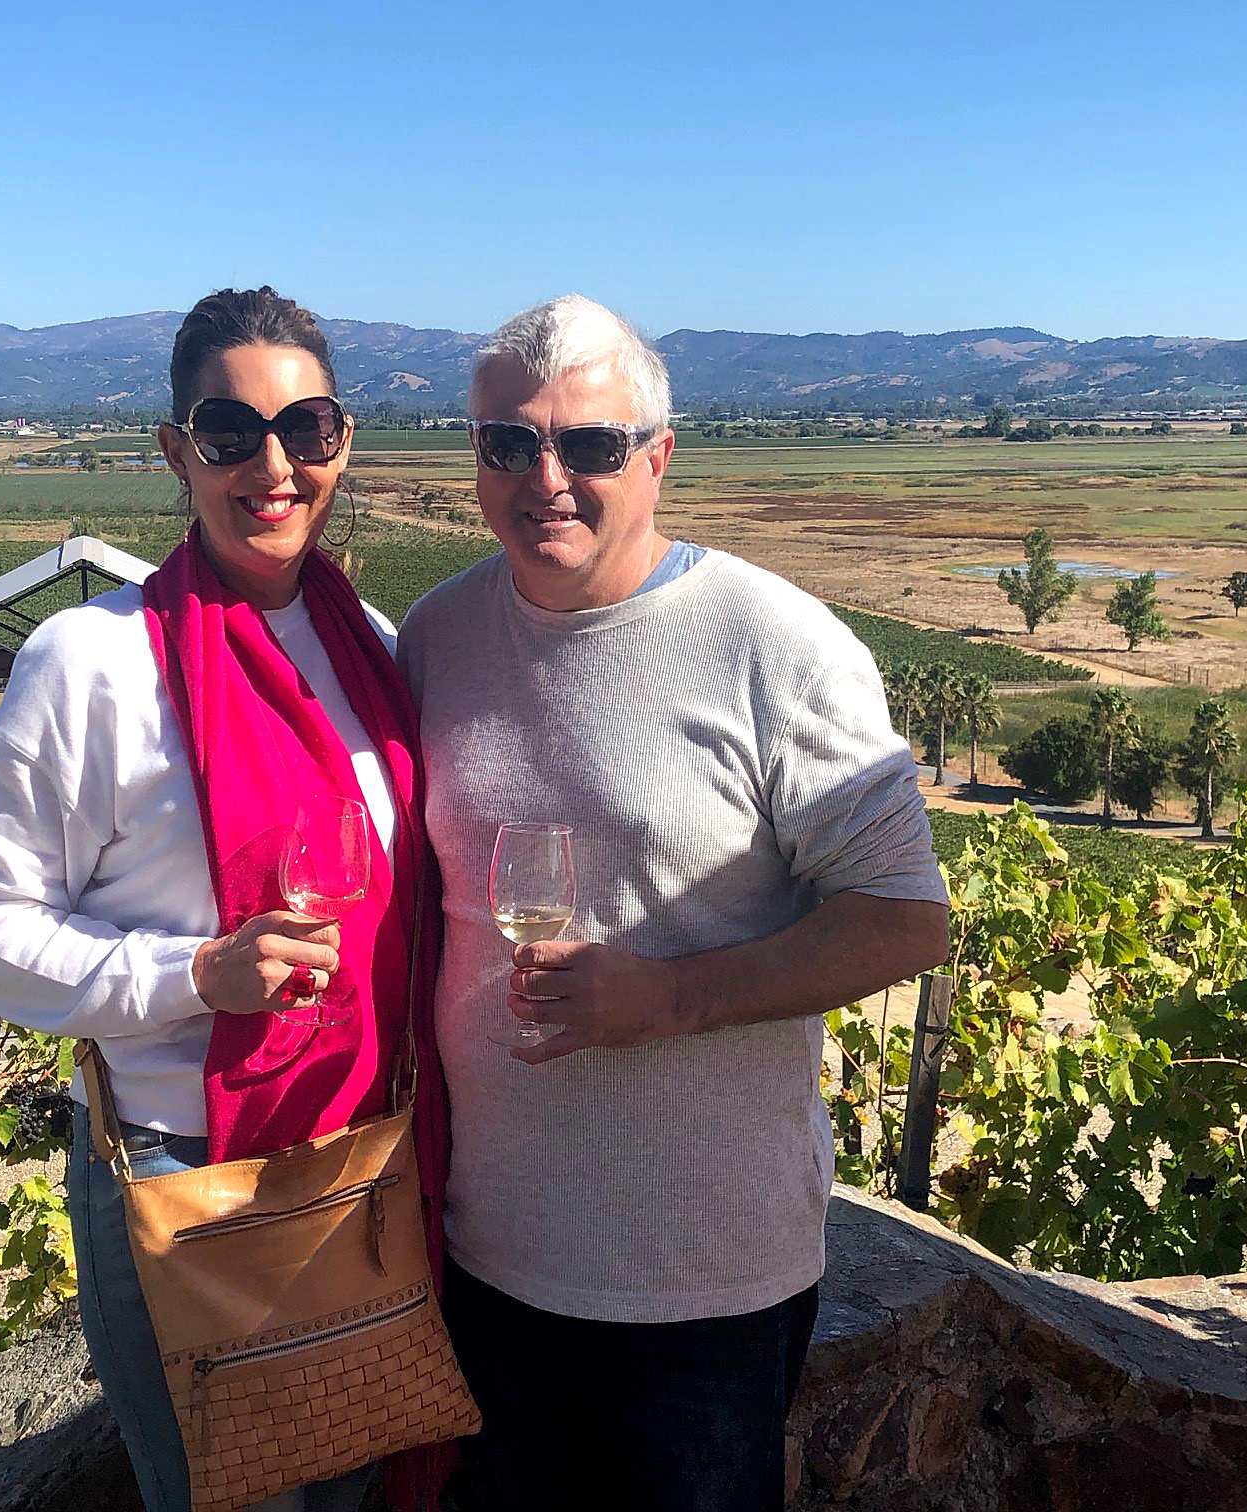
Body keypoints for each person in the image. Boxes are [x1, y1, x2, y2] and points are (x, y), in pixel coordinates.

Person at [397, 295, 950, 1512]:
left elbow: (906, 918)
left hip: (704, 1282)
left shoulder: (775, 646)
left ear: (657, 455)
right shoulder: (434, 640)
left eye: (588, 444)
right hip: (484, 1258)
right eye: (507, 442)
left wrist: (667, 1002)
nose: (546, 477)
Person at [0, 288, 449, 1512]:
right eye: (229, 433)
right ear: (176, 451)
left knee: (349, 1492)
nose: (272, 467)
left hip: (356, 1162)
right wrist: (193, 974)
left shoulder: (369, 640)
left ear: (344, 441)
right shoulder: (93, 662)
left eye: (307, 428)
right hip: (188, 1177)